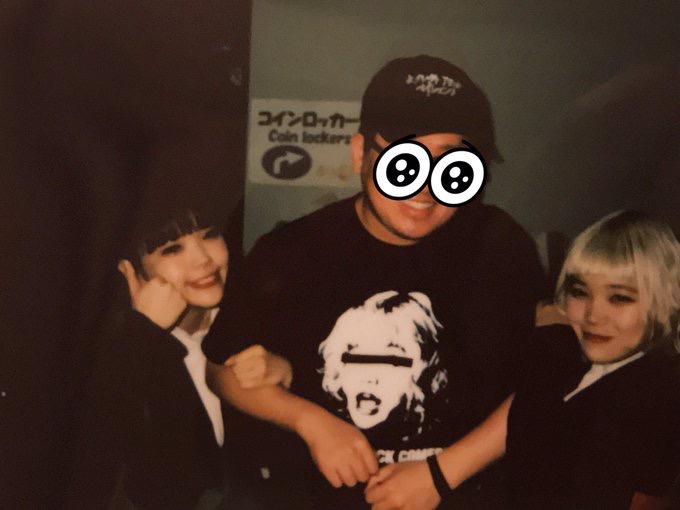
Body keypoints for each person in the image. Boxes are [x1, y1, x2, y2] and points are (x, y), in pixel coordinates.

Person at [203, 55, 547, 509]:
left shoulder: (499, 246)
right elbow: (219, 369)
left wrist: (440, 475)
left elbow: (547, 377)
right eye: (406, 159)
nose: (425, 187)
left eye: (450, 163)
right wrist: (309, 421)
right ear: (360, 153)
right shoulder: (293, 250)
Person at [377, 210, 680, 509]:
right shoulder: (574, 361)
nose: (593, 315)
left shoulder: (655, 397)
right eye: (580, 292)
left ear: (666, 299)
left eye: (620, 298)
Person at [67, 208, 291, 510]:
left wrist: (290, 374)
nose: (203, 259)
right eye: (172, 249)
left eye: (210, 235)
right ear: (128, 269)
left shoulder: (258, 319)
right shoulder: (106, 356)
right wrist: (143, 336)